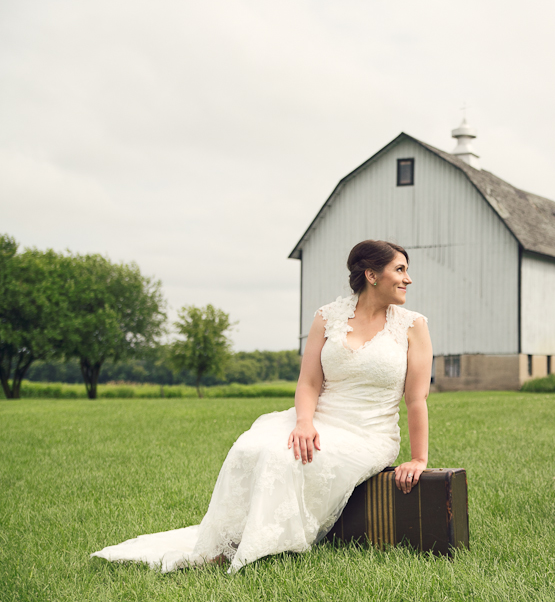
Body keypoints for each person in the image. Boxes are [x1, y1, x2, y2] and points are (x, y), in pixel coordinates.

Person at [92, 240, 432, 572]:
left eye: (406, 271)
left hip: (368, 432)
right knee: (251, 446)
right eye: (400, 270)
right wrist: (303, 422)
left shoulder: (413, 326)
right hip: (317, 419)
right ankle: (224, 543)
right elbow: (309, 382)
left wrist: (418, 458)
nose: (407, 279)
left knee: (286, 458)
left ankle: (258, 546)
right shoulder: (328, 317)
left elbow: (416, 399)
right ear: (372, 275)